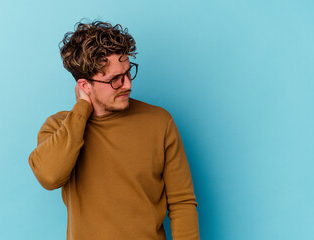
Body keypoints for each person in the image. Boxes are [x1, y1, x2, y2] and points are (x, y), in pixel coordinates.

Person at [28, 20, 200, 240]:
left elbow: (182, 202)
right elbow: (49, 177)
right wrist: (82, 109)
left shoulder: (159, 122)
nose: (127, 84)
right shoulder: (59, 128)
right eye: (115, 79)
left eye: (128, 73)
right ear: (84, 86)